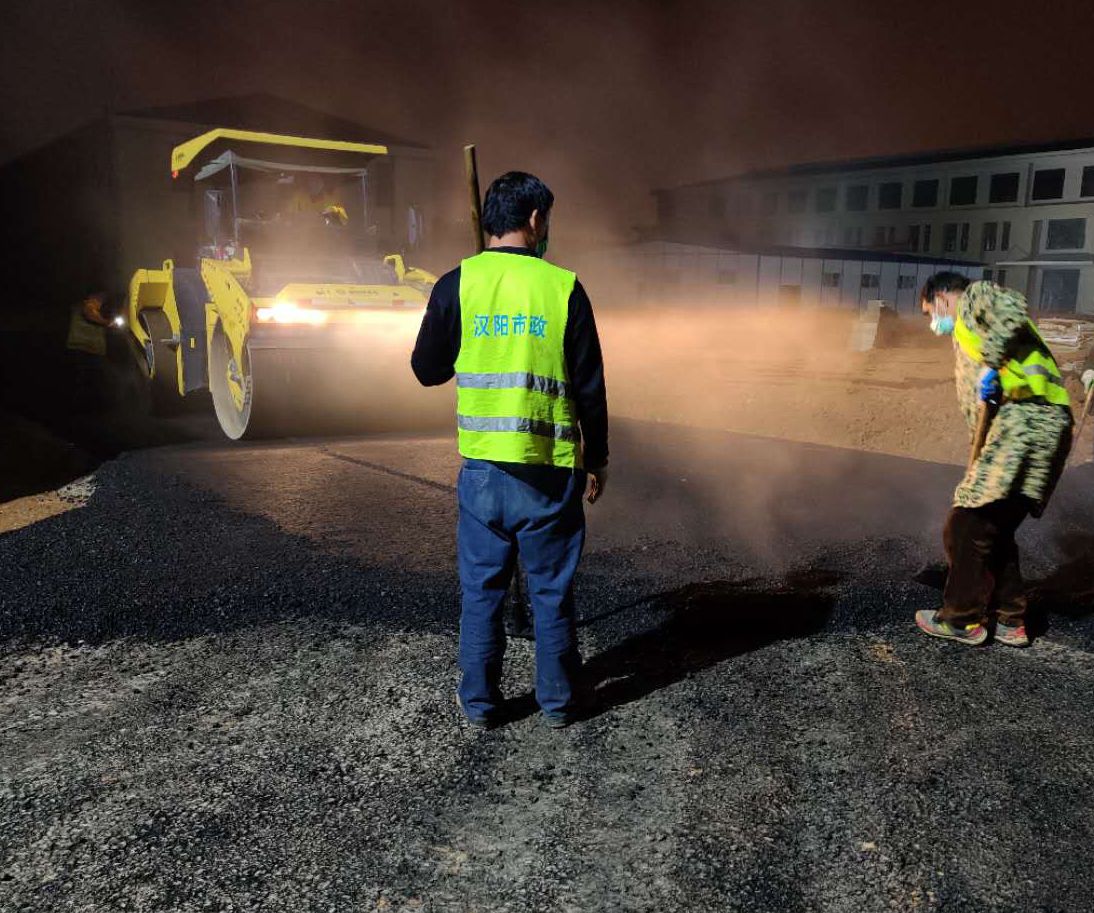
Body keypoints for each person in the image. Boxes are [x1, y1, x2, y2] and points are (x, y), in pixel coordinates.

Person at [411, 171, 609, 728]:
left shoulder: (456, 284)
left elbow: (426, 369)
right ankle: (559, 704)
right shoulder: (564, 288)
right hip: (550, 472)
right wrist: (597, 458)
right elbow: (590, 388)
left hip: (483, 473)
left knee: (482, 593)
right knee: (551, 593)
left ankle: (480, 704)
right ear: (535, 220)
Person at [916, 272, 1072, 647]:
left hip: (1027, 420)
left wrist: (990, 362)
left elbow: (1012, 307)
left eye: (929, 312)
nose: (932, 322)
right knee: (994, 527)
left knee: (965, 524)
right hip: (1035, 427)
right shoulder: (967, 335)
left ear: (942, 298)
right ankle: (1010, 619)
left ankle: (961, 619)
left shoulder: (974, 299)